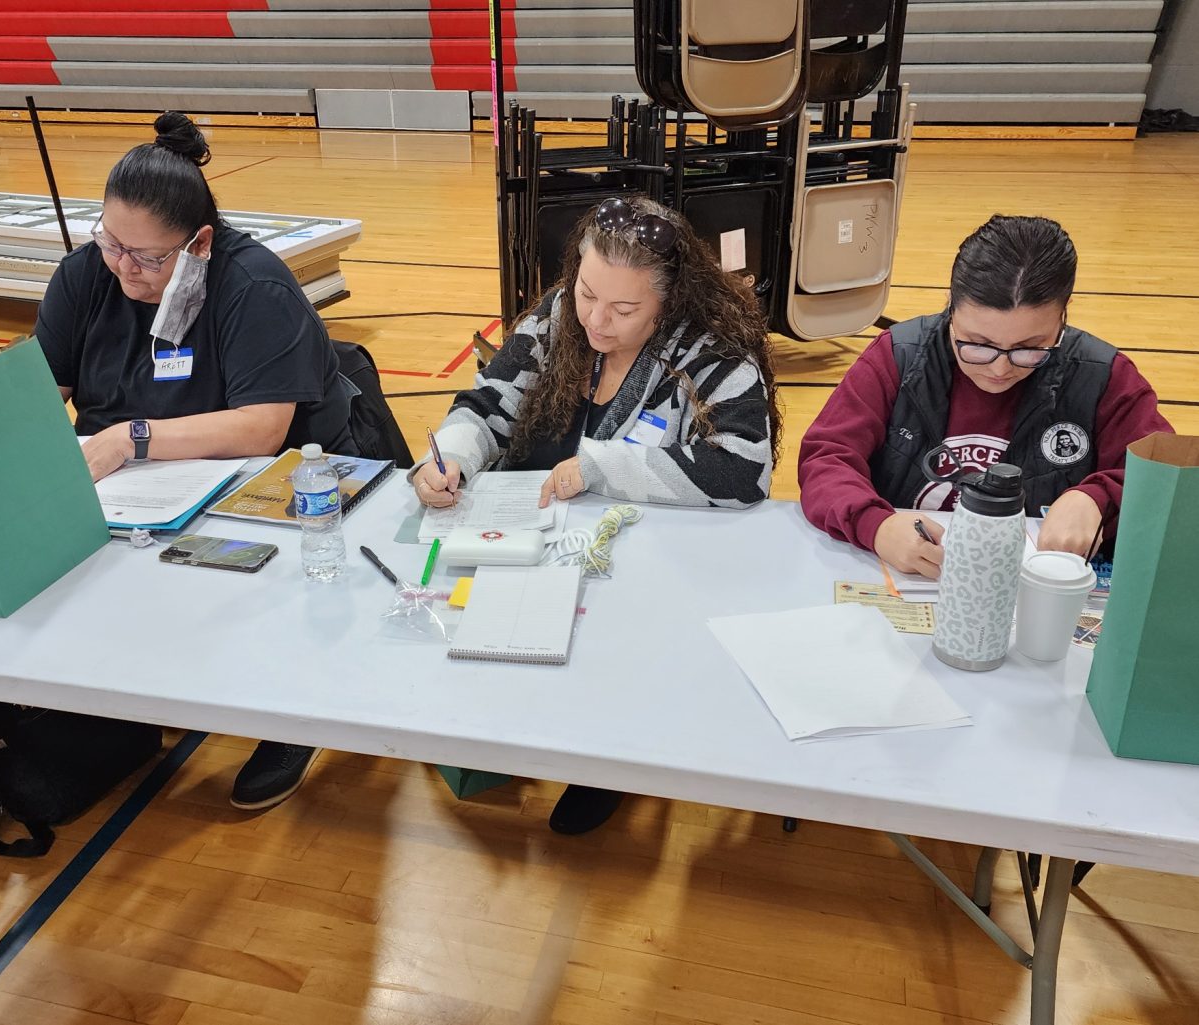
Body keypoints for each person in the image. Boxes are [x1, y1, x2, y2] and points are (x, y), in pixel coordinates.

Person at [413, 195, 780, 834]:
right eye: (587, 293)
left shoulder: (711, 353)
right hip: (540, 536)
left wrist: (603, 468)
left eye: (625, 308)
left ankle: (614, 760)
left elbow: (744, 472)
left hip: (643, 560)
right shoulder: (560, 317)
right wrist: (452, 459)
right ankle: (524, 727)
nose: (597, 321)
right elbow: (490, 402)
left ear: (670, 299)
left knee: (618, 651)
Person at [36, 112, 358, 812]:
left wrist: (132, 437)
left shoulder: (254, 287)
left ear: (200, 243)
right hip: (128, 492)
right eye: (112, 242)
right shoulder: (85, 276)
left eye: (148, 257)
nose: (124, 266)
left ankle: (288, 712)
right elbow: (43, 394)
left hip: (251, 485)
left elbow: (262, 427)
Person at [798, 214, 1172, 579]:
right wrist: (876, 525)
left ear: (1062, 319)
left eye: (1030, 347)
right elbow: (827, 458)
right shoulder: (899, 356)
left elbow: (1167, 478)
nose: (999, 369)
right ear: (950, 309)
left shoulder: (1102, 374)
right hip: (906, 580)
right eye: (978, 345)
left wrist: (1097, 498)